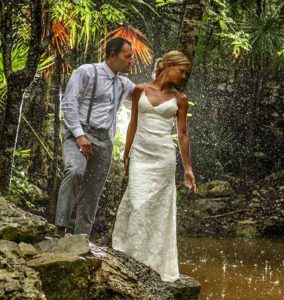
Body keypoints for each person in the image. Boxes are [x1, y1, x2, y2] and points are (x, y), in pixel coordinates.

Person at [112, 50, 197, 282]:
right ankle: (131, 257)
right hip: (140, 154)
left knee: (158, 210)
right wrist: (126, 152)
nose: (183, 76)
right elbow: (132, 124)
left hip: (163, 158)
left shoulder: (180, 99)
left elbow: (182, 135)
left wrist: (187, 168)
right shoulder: (140, 90)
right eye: (181, 71)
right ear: (168, 65)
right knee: (138, 202)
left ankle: (154, 263)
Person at [55, 38, 135, 238]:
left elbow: (147, 96)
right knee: (74, 171)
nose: (131, 61)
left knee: (93, 191)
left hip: (104, 140)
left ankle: (82, 238)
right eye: (127, 56)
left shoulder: (124, 83)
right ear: (112, 55)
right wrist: (80, 136)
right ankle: (59, 231)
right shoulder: (87, 72)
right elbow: (69, 104)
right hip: (78, 132)